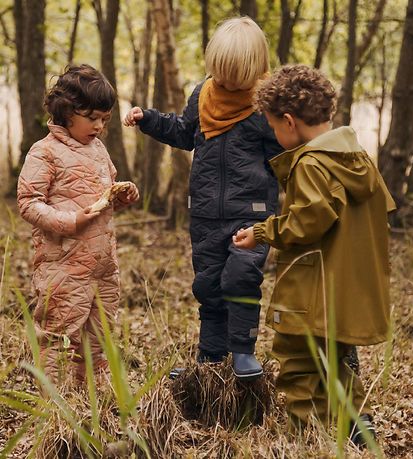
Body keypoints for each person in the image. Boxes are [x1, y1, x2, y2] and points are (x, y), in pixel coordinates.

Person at [233, 64, 395, 446]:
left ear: (289, 121)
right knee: (336, 362)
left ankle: (306, 436)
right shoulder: (358, 158)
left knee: (299, 363)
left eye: (274, 126)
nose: (275, 134)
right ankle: (357, 426)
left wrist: (262, 232)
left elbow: (307, 222)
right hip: (349, 289)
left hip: (312, 289)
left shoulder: (311, 163)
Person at [123, 17, 283, 380]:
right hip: (207, 213)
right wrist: (148, 119)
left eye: (234, 77)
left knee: (241, 277)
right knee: (208, 286)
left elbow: (285, 154)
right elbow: (183, 132)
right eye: (220, 73)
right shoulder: (204, 94)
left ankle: (242, 351)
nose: (225, 83)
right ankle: (210, 360)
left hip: (253, 214)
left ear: (255, 70)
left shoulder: (265, 104)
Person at [17, 64, 139, 386]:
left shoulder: (98, 149)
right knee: (58, 333)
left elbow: (106, 189)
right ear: (67, 111)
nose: (99, 126)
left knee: (99, 332)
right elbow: (27, 202)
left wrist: (122, 195)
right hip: (63, 266)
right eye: (92, 118)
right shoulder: (44, 152)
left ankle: (89, 397)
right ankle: (54, 406)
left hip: (102, 263)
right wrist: (70, 221)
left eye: (105, 119)